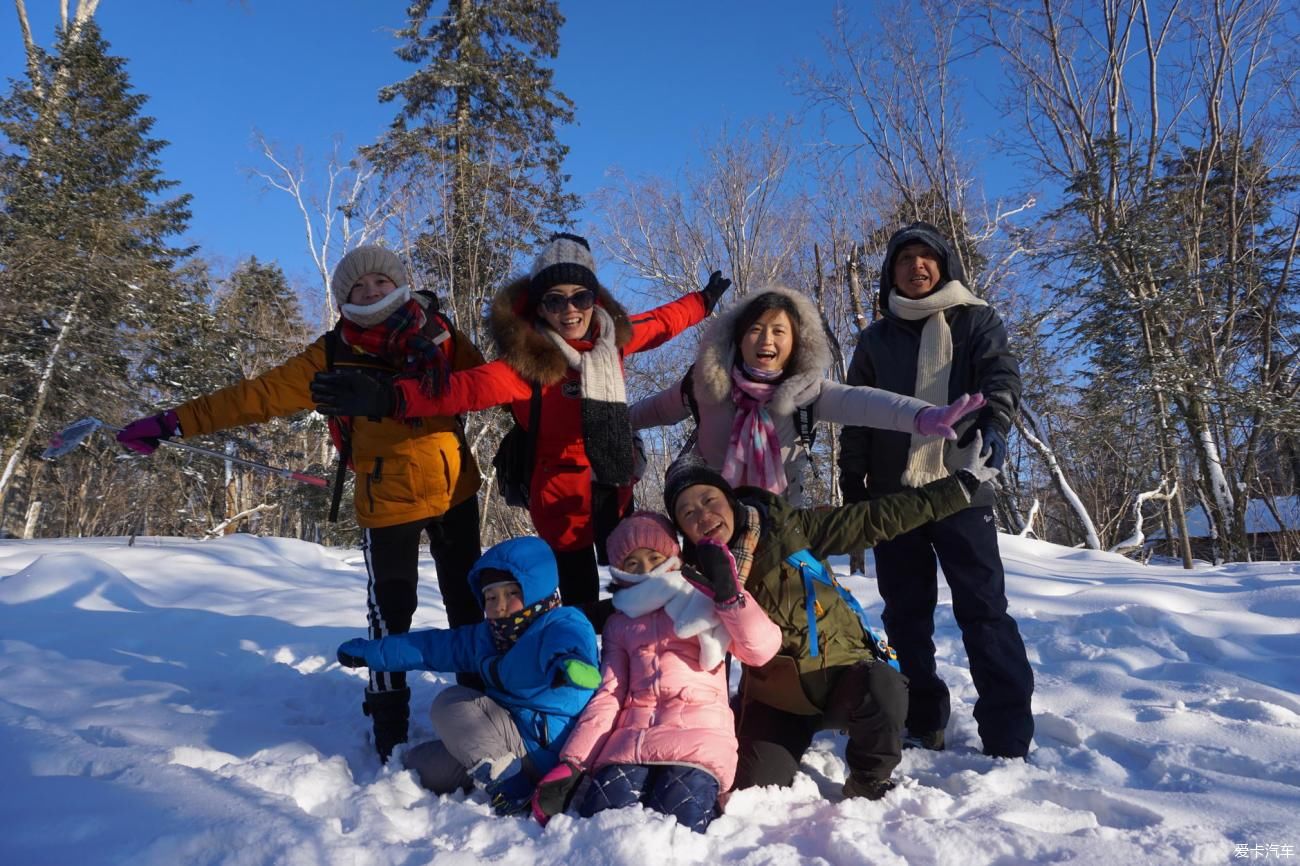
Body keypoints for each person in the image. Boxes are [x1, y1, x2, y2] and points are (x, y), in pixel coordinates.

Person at [116, 245, 485, 762]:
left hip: (456, 490)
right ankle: (389, 722)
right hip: (386, 499)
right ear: (344, 299)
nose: (373, 291)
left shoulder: (439, 334)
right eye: (360, 287)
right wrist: (174, 421)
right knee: (390, 615)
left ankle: (478, 704)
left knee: (470, 605)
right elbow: (257, 395)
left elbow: (489, 386)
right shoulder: (331, 354)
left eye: (381, 281)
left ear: (399, 283)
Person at [312, 233, 730, 615]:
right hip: (558, 491)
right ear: (539, 307)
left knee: (632, 573)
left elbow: (660, 323)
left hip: (613, 478)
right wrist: (389, 397)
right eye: (554, 300)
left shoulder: (610, 338)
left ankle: (635, 663)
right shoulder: (528, 364)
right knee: (580, 591)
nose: (569, 310)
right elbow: (459, 389)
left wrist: (703, 301)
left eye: (580, 297)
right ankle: (584, 671)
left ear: (595, 300)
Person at [661, 444, 998, 800]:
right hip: (777, 698)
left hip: (843, 676)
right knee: (753, 789)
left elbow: (875, 517)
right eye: (687, 512)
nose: (703, 514)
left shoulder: (789, 527)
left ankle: (869, 781)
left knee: (884, 687)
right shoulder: (696, 577)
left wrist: (958, 488)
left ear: (728, 498)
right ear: (684, 530)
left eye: (708, 499)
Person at [838, 221, 1034, 759]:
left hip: (962, 488)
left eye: (928, 257)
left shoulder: (976, 320)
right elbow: (855, 413)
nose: (917, 267)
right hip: (892, 496)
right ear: (891, 273)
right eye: (905, 259)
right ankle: (922, 716)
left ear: (944, 266)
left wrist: (997, 423)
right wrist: (851, 482)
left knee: (984, 609)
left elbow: (1000, 377)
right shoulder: (875, 339)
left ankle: (1007, 731)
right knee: (904, 614)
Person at [531, 511, 780, 832]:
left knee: (678, 826)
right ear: (620, 571)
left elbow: (760, 649)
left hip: (697, 743)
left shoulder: (705, 601)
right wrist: (574, 761)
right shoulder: (619, 623)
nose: (646, 569)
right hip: (630, 743)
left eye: (653, 556)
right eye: (632, 564)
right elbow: (609, 695)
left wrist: (732, 597)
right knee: (602, 822)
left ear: (673, 556)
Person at [630, 286, 986, 504]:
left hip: (780, 521)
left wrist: (921, 416)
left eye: (778, 331)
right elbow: (654, 410)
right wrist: (605, 421)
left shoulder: (806, 392)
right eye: (755, 329)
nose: (766, 340)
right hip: (709, 524)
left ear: (796, 343)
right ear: (738, 339)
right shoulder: (707, 384)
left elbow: (864, 402)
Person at [336, 535, 601, 815]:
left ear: (536, 590)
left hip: (547, 748)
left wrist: (569, 663)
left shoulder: (561, 623)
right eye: (491, 596)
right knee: (418, 765)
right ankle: (503, 771)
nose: (499, 605)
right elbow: (430, 649)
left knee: (450, 704)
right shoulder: (488, 637)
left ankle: (511, 786)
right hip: (504, 737)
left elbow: (568, 641)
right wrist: (371, 653)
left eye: (511, 594)